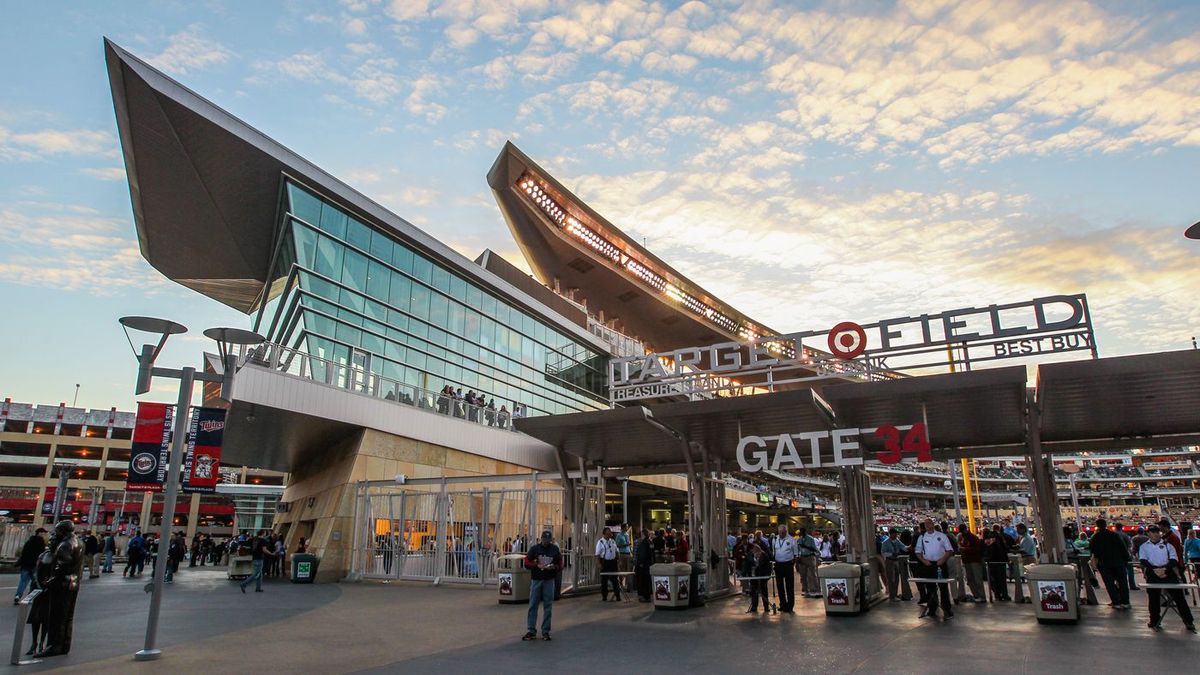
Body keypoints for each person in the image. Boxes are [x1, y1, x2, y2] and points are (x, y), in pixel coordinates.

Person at [37, 520, 85, 658]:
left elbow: (61, 566)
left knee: (57, 616)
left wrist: (50, 580)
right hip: (74, 582)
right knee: (68, 616)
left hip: (62, 584)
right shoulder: (80, 542)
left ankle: (54, 645)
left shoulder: (65, 545)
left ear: (63, 531)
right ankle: (65, 644)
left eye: (57, 530)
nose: (55, 533)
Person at [1138, 525, 1195, 632]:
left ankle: (1188, 621)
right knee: (1153, 599)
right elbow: (1143, 560)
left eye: (1157, 532)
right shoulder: (1144, 546)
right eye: (1152, 532)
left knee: (1179, 598)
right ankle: (1154, 620)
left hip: (1168, 573)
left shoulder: (1168, 545)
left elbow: (1174, 559)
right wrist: (1155, 569)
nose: (1155, 534)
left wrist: (1165, 569)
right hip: (1152, 573)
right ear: (1148, 533)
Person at [523, 530, 561, 641]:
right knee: (533, 605)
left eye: (548, 540)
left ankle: (545, 631)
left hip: (549, 580)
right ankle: (531, 630)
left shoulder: (554, 549)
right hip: (536, 579)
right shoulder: (535, 549)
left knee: (548, 606)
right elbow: (526, 562)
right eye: (545, 540)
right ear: (541, 539)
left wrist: (554, 567)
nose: (546, 542)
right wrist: (535, 565)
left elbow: (560, 563)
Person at [915, 519, 954, 620]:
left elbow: (949, 550)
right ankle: (932, 608)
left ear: (933, 524)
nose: (928, 525)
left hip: (941, 564)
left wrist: (943, 559)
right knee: (930, 588)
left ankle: (947, 609)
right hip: (928, 564)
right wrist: (924, 561)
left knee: (943, 588)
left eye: (929, 523)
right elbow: (918, 552)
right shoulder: (922, 537)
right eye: (926, 524)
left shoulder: (941, 536)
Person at [1089, 518, 1130, 609]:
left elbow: (1092, 549)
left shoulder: (1096, 536)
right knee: (1123, 582)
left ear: (1097, 525)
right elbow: (1123, 547)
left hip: (1105, 563)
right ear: (1106, 524)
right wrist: (1126, 559)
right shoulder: (1114, 535)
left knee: (1109, 584)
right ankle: (1125, 602)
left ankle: (1116, 602)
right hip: (1118, 562)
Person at [15, 527, 48, 604]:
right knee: (34, 583)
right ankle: (29, 598)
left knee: (23, 582)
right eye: (43, 533)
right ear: (39, 533)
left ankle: (17, 596)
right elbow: (41, 555)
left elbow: (23, 553)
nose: (44, 534)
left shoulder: (29, 541)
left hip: (26, 565)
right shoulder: (40, 542)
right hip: (34, 566)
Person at [771, 524, 797, 613]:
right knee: (780, 586)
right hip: (778, 565)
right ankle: (783, 604)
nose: (781, 534)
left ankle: (790, 606)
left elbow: (795, 554)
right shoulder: (775, 539)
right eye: (780, 532)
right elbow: (774, 551)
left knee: (789, 586)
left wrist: (793, 563)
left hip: (788, 565)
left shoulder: (792, 540)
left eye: (783, 532)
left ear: (786, 531)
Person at [957, 524, 984, 602]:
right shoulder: (963, 538)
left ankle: (981, 596)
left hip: (974, 560)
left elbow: (977, 549)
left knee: (977, 579)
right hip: (967, 561)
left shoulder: (972, 537)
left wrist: (965, 549)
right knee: (970, 579)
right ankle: (976, 595)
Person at [982, 529, 1011, 601]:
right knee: (1002, 580)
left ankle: (997, 594)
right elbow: (1006, 549)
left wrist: (986, 559)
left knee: (995, 580)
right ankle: (1004, 594)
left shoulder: (990, 541)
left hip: (993, 563)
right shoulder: (1000, 539)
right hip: (1001, 562)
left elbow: (990, 553)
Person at [743, 543, 772, 613]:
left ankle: (766, 606)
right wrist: (744, 573)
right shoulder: (750, 555)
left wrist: (767, 576)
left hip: (763, 576)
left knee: (764, 591)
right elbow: (746, 565)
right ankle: (754, 606)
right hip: (753, 576)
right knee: (754, 591)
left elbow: (768, 567)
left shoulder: (764, 556)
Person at [881, 528, 908, 601]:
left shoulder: (897, 541)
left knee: (896, 578)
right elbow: (883, 553)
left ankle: (895, 594)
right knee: (891, 579)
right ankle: (892, 596)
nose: (896, 535)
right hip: (889, 561)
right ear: (891, 534)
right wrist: (892, 554)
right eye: (895, 533)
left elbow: (903, 547)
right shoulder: (885, 542)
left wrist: (909, 547)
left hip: (896, 561)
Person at [596, 527, 621, 601]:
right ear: (604, 534)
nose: (610, 534)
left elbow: (617, 551)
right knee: (604, 580)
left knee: (615, 580)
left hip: (613, 562)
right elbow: (597, 554)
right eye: (608, 533)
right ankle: (604, 596)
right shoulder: (600, 542)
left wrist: (618, 561)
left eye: (610, 533)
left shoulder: (613, 541)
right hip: (605, 562)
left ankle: (618, 596)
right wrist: (599, 564)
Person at [1113, 523, 1139, 591]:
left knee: (1117, 571)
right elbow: (1129, 545)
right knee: (1130, 570)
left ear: (1115, 527)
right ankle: (1132, 585)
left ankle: (1118, 585)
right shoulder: (1124, 534)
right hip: (1125, 555)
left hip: (1115, 556)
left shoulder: (1112, 534)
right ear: (1121, 527)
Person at [796, 528, 821, 598]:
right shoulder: (799, 540)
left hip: (810, 557)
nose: (801, 533)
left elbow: (814, 549)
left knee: (813, 574)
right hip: (802, 557)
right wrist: (798, 558)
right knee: (803, 575)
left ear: (805, 532)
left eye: (802, 531)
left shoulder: (810, 539)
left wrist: (805, 546)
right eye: (800, 532)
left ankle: (816, 590)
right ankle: (806, 590)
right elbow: (798, 550)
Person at [633, 528, 653, 602]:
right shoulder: (650, 542)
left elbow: (642, 554)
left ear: (643, 534)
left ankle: (645, 596)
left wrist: (640, 563)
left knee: (643, 581)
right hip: (648, 564)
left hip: (643, 566)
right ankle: (647, 596)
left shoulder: (643, 543)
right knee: (647, 581)